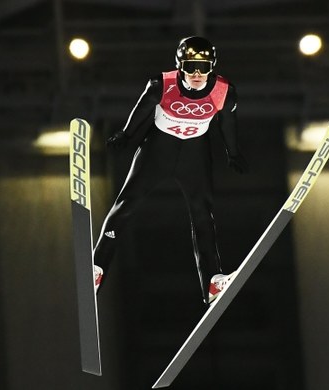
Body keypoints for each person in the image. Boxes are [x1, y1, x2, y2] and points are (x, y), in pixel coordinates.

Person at [92, 36, 248, 305]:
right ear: (179, 66)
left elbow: (228, 123)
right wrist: (127, 136)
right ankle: (97, 268)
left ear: (212, 66)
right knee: (126, 205)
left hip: (194, 155)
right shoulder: (161, 84)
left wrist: (232, 152)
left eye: (203, 66)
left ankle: (212, 282)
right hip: (157, 151)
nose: (197, 74)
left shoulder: (224, 91)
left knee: (203, 213)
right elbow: (141, 110)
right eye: (190, 66)